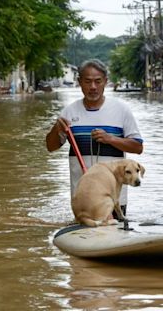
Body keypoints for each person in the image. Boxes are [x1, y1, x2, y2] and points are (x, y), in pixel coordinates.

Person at [46, 59, 143, 218]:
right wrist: (55, 129)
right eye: (88, 81)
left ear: (105, 81)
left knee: (113, 237)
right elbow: (50, 147)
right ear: (79, 82)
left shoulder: (121, 110)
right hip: (82, 199)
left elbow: (138, 147)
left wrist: (110, 139)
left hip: (113, 199)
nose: (93, 87)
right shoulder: (69, 112)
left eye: (98, 81)